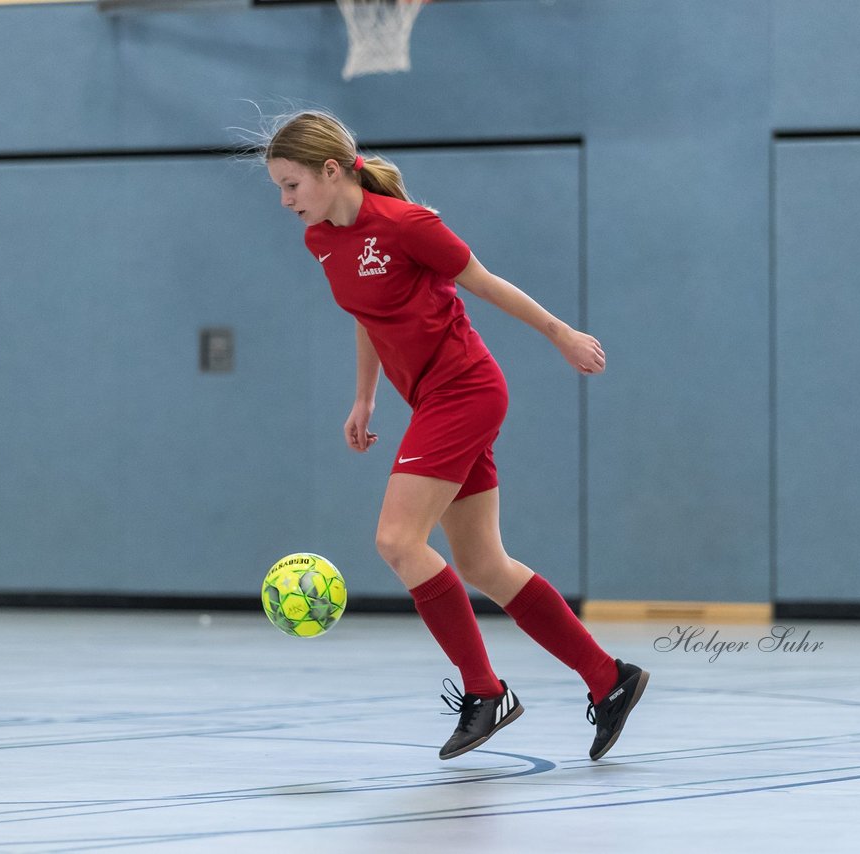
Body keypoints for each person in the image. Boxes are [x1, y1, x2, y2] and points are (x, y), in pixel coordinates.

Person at [262, 110, 648, 761]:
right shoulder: (322, 240)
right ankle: (609, 679)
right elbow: (368, 315)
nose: (285, 200)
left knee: (396, 539)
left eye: (292, 184)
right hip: (431, 401)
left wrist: (562, 336)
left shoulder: (410, 226)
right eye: (278, 187)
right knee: (482, 564)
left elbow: (488, 285)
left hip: (465, 391)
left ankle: (485, 691)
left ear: (331, 171)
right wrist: (365, 395)